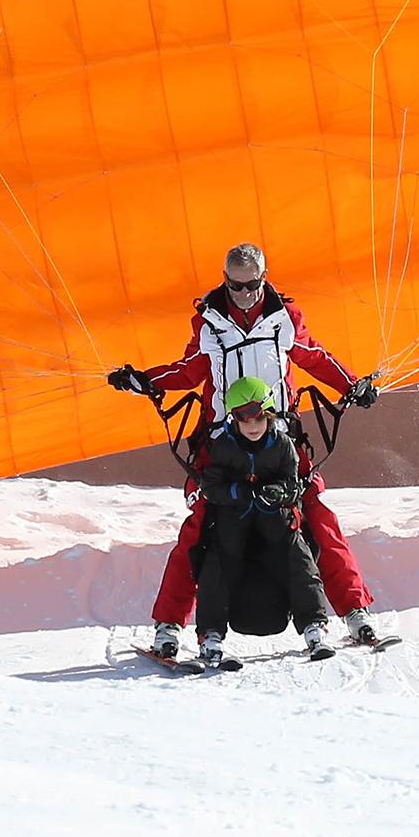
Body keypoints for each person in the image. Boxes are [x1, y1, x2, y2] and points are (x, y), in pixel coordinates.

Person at [107, 242, 383, 658]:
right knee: (200, 527)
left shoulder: (285, 319)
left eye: (250, 286)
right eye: (234, 286)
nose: (242, 295)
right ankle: (169, 627)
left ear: (263, 280)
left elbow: (313, 356)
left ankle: (355, 613)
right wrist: (146, 380)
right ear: (225, 281)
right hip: (222, 442)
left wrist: (352, 385)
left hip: (280, 440)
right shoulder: (208, 323)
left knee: (316, 516)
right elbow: (191, 369)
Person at [196, 376, 333, 665]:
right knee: (217, 559)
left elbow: (293, 483)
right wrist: (239, 491)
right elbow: (211, 485)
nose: (253, 426)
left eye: (259, 418)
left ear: (269, 415)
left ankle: (314, 627)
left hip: (274, 519)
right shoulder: (223, 448)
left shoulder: (282, 446)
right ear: (233, 420)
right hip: (236, 518)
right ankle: (210, 636)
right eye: (244, 420)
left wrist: (279, 492)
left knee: (299, 555)